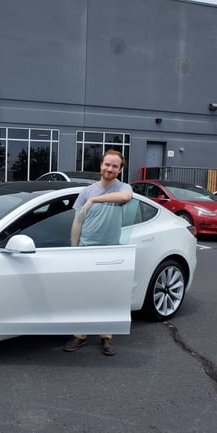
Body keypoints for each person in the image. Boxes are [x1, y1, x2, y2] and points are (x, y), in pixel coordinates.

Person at [62, 149, 133, 356]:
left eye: (114, 166)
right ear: (101, 165)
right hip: (86, 249)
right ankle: (80, 335)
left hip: (110, 250)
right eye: (107, 164)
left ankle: (106, 336)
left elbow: (125, 197)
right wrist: (74, 248)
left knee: (107, 295)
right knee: (83, 294)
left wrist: (95, 201)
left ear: (120, 170)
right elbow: (78, 221)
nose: (109, 169)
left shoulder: (123, 187)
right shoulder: (86, 191)